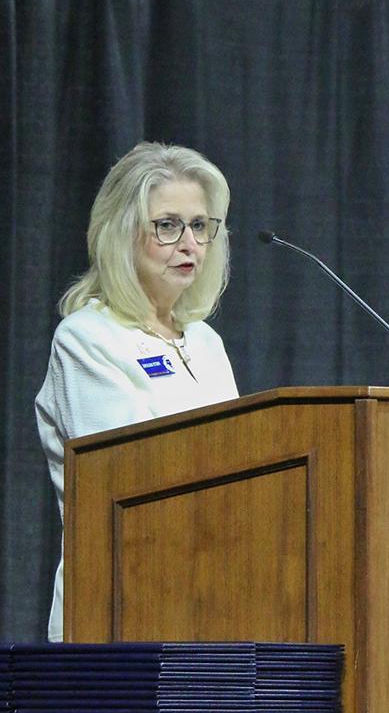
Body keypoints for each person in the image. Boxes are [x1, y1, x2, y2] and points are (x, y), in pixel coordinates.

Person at [35, 142, 239, 642]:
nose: (189, 243)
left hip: (213, 593)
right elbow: (129, 475)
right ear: (121, 235)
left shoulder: (207, 343)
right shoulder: (88, 338)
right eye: (167, 225)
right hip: (119, 600)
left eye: (200, 225)